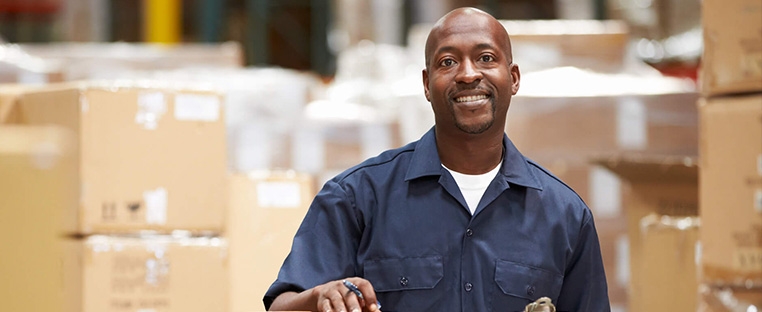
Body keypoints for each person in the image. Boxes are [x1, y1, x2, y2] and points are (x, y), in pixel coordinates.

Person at [265, 7, 610, 312]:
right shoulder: (357, 198)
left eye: (486, 58)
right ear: (427, 84)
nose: (468, 74)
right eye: (448, 62)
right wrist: (319, 297)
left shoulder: (564, 215)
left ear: (514, 78)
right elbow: (282, 306)